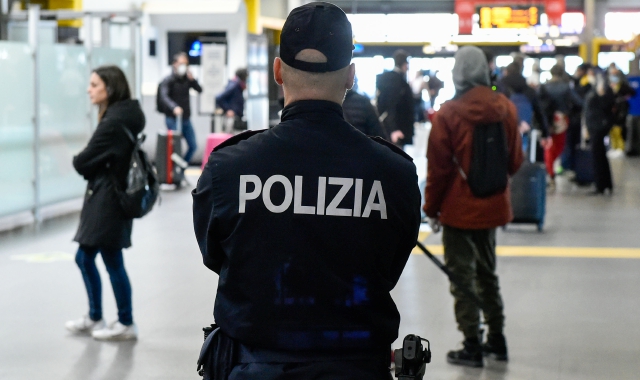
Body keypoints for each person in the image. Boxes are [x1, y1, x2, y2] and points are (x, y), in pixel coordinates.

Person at [192, 3, 421, 379]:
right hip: (357, 365)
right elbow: (390, 265)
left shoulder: (228, 168)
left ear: (278, 71)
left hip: (254, 366)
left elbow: (216, 255)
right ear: (350, 76)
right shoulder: (393, 173)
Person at [423, 46, 524, 368]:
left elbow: (437, 169)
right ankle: (497, 338)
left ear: (458, 71)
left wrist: (431, 208)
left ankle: (471, 345)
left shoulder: (449, 113)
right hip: (493, 206)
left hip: (457, 208)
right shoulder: (506, 108)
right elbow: (516, 161)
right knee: (487, 273)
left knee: (461, 276)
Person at [66, 65, 143, 341]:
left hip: (108, 200)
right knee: (88, 257)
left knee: (105, 258)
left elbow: (82, 161)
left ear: (109, 88)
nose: (89, 89)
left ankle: (125, 321)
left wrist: (86, 163)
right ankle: (97, 316)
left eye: (95, 84)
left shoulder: (112, 122)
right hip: (108, 196)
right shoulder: (124, 114)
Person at [538, 64, 583, 186]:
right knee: (559, 146)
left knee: (548, 146)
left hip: (546, 120)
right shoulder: (566, 87)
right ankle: (555, 168)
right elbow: (579, 102)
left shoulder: (543, 87)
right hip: (561, 119)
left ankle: (549, 171)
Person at [158, 52, 202, 163]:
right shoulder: (168, 80)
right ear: (175, 64)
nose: (184, 66)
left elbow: (199, 90)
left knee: (193, 146)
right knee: (175, 147)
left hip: (186, 118)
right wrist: (174, 107)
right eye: (181, 63)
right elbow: (164, 96)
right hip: (172, 118)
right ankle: (172, 172)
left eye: (186, 64)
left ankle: (181, 168)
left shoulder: (187, 80)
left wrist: (193, 80)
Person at [499, 62, 550, 152]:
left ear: (506, 72)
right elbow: (539, 112)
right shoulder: (529, 90)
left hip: (503, 130)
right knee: (521, 153)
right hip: (524, 129)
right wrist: (545, 134)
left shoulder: (499, 88)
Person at [585, 74, 616, 194]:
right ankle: (604, 184)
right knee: (599, 155)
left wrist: (601, 94)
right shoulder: (594, 90)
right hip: (594, 126)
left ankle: (601, 185)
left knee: (598, 156)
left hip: (599, 127)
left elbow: (606, 107)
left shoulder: (604, 92)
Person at [376, 49, 415, 147]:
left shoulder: (387, 78)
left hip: (391, 128)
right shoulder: (397, 81)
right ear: (404, 63)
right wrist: (394, 129)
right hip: (397, 129)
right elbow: (392, 105)